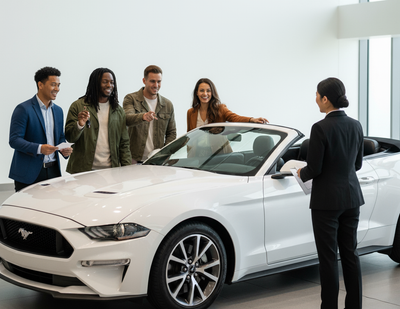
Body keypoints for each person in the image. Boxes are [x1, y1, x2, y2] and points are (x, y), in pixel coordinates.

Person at [297, 77, 364, 309]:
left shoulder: (319, 128)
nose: (315, 98)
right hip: (352, 198)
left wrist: (300, 172)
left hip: (326, 202)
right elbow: (357, 165)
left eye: (317, 95)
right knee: (351, 255)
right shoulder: (356, 125)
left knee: (328, 259)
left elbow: (314, 168)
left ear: (325, 99)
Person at [9, 67, 73, 192]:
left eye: (59, 85)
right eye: (53, 85)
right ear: (40, 85)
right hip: (29, 174)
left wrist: (63, 150)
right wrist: (39, 148)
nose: (57, 89)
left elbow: (59, 137)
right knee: (27, 211)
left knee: (51, 209)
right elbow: (14, 140)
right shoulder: (23, 109)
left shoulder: (58, 111)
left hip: (53, 172)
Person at [65, 68, 131, 173]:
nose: (109, 85)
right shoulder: (78, 106)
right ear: (95, 83)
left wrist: (127, 169)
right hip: (83, 170)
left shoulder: (118, 110)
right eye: (105, 82)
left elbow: (124, 143)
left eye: (112, 82)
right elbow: (70, 138)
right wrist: (79, 125)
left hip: (111, 170)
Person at [123, 65, 176, 163]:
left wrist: (164, 154)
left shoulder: (167, 105)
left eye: (159, 81)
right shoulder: (131, 99)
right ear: (144, 81)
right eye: (152, 81)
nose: (156, 85)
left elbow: (171, 133)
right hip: (133, 160)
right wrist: (142, 117)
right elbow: (126, 119)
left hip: (157, 162)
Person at [186, 78, 268, 131]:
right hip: (197, 154)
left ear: (212, 93)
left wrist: (252, 119)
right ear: (197, 92)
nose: (205, 94)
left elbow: (235, 118)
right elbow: (189, 135)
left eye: (208, 91)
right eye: (202, 90)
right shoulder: (191, 112)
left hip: (217, 153)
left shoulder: (220, 109)